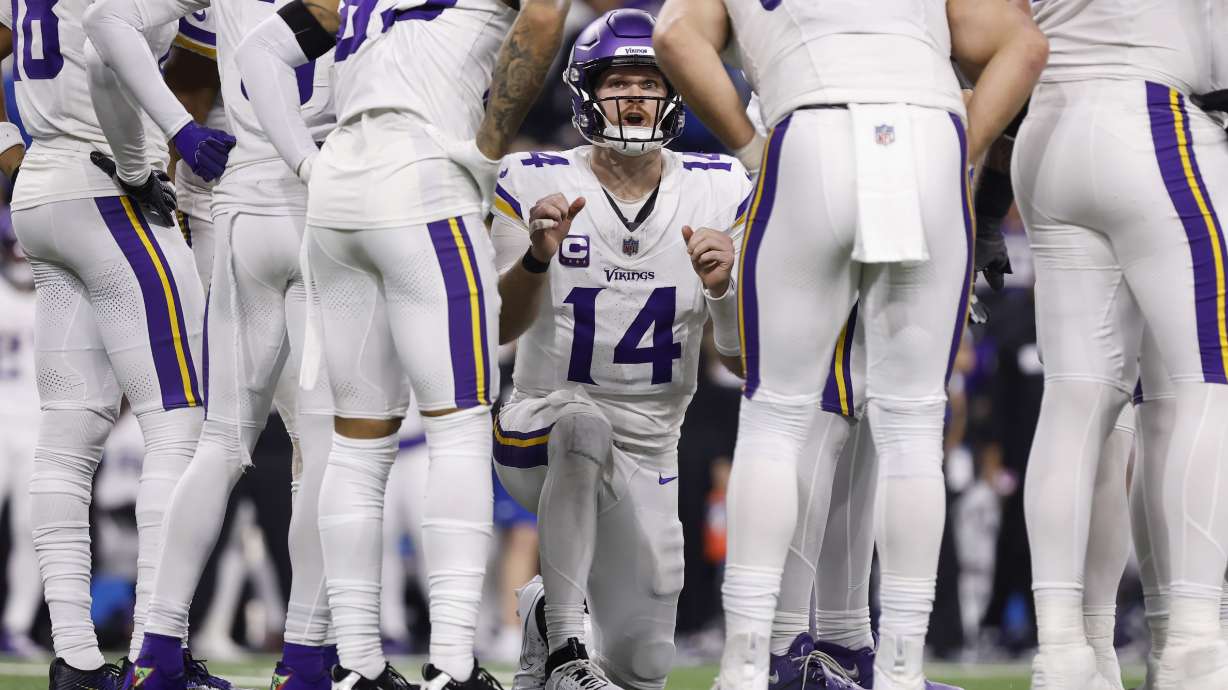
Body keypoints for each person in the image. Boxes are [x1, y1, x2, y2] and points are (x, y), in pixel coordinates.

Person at [654, 1, 1046, 688]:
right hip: (926, 129)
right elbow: (1025, 47)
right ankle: (897, 667)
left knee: (777, 416)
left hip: (813, 125)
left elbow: (673, 35)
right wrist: (966, 151)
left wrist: (751, 148)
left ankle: (747, 662)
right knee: (914, 426)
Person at [235, 0, 571, 686]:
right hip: (423, 175)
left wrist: (306, 163)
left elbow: (257, 54)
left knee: (357, 444)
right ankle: (449, 663)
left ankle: (357, 664)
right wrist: (485, 151)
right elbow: (545, 14)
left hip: (337, 195)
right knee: (458, 428)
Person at [489, 9, 758, 690]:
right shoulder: (534, 178)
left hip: (651, 447)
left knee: (645, 664)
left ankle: (544, 613)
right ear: (586, 92)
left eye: (651, 81)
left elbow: (741, 365)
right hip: (541, 425)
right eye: (619, 82)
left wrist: (724, 290)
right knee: (583, 424)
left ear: (675, 93)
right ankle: (562, 646)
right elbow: (496, 329)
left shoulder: (720, 186)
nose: (635, 96)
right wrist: (535, 260)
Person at [82, 0, 341, 682]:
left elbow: (104, 24)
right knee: (328, 451)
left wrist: (180, 131)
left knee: (221, 442)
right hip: (330, 206)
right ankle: (309, 658)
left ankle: (157, 651)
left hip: (241, 205)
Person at [0, 0, 232, 681]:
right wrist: (141, 164)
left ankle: (72, 657)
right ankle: (156, 652)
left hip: (42, 188)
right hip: (107, 185)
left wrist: (9, 145)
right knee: (179, 421)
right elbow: (107, 48)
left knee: (66, 440)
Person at [1015, 1, 1228, 687]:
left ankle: (1068, 651)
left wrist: (990, 196)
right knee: (1206, 384)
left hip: (1046, 127)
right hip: (1155, 118)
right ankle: (1194, 642)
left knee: (1079, 398)